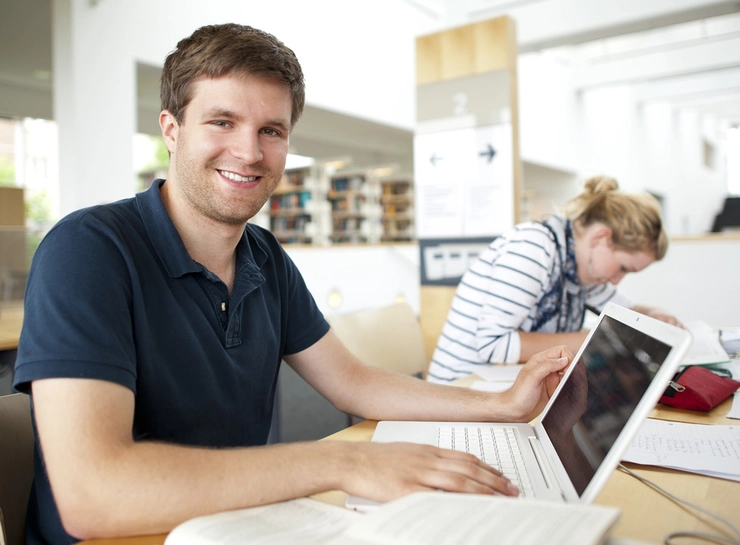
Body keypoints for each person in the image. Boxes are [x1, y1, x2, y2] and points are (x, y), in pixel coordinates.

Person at [13, 23, 571, 545]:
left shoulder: (263, 255)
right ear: (171, 129)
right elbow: (92, 493)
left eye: (271, 131)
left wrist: (501, 404)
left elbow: (352, 382)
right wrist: (347, 462)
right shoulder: (87, 249)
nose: (250, 152)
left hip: (235, 525)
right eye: (222, 122)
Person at [426, 175, 681, 384]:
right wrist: (595, 341)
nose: (616, 280)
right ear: (601, 238)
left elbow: (623, 313)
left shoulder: (584, 269)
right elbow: (494, 345)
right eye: (623, 268)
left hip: (500, 385)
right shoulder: (533, 248)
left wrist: (653, 313)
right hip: (459, 390)